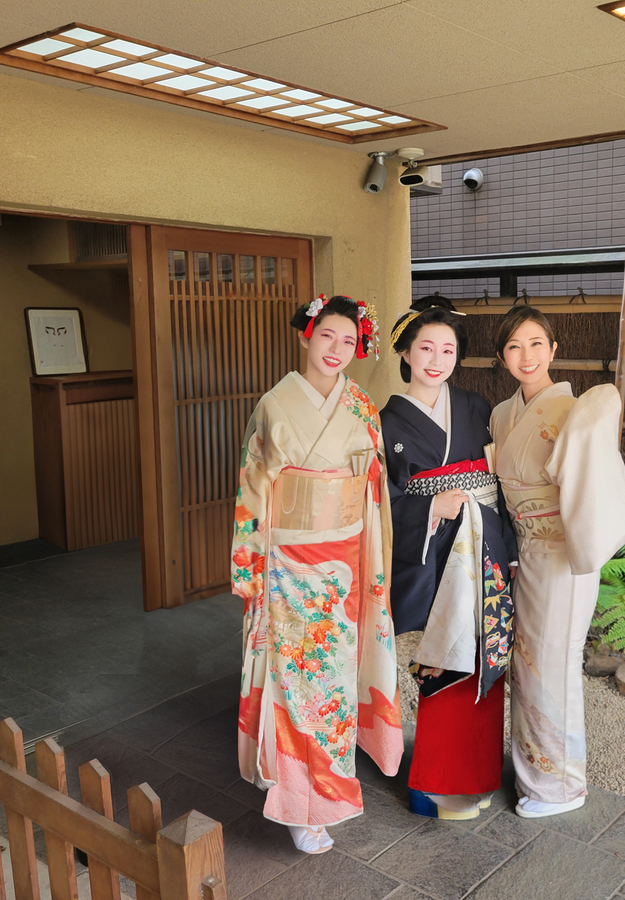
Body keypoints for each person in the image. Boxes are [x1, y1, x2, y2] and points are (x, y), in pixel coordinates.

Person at [231, 295, 401, 854]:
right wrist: (250, 565)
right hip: (290, 566)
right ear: (306, 336)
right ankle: (303, 803)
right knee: (299, 682)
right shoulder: (275, 406)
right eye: (327, 336)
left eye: (349, 342)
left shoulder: (361, 405)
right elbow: (253, 487)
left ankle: (329, 785)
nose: (337, 349)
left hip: (346, 564)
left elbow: (376, 488)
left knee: (336, 682)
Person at [488, 306, 625, 818]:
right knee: (527, 662)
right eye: (514, 346)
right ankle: (534, 771)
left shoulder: (575, 412)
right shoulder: (501, 414)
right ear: (502, 357)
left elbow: (590, 487)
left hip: (561, 553)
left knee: (552, 664)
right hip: (521, 551)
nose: (527, 355)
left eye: (536, 344)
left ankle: (559, 788)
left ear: (554, 349)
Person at [380, 297, 517, 821]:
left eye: (448, 349)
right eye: (426, 348)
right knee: (442, 656)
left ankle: (478, 774)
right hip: (435, 552)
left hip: (485, 543)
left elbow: (496, 483)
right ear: (407, 353)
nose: (437, 359)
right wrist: (428, 505)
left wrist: (506, 548)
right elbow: (381, 501)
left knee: (485, 652)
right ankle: (432, 781)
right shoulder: (385, 422)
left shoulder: (475, 406)